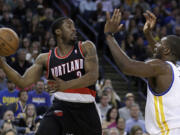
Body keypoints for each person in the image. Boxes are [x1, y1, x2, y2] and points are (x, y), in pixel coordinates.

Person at [0, 17, 101, 135]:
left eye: (74, 26)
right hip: (61, 105)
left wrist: (65, 85)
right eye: (69, 26)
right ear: (58, 31)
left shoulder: (86, 47)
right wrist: (3, 63)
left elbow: (93, 76)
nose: (74, 29)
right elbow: (22, 82)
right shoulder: (45, 58)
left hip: (86, 108)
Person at [104, 9, 180, 135]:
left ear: (166, 50)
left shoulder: (161, 67)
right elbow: (161, 54)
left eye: (159, 43)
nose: (155, 45)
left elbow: (127, 66)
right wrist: (148, 34)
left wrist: (109, 36)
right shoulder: (175, 69)